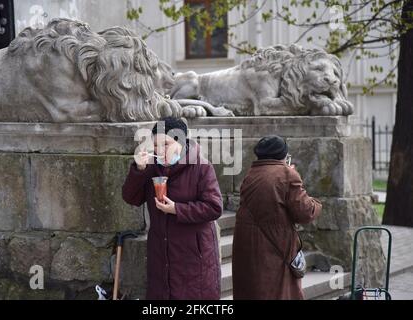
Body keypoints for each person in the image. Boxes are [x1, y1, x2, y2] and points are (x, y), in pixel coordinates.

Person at [122, 117, 223, 299]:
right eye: (155, 146)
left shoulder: (201, 167)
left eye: (166, 144)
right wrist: (138, 169)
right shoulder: (153, 168)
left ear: (181, 143)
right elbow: (131, 198)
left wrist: (177, 209)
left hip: (194, 255)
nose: (159, 151)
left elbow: (214, 207)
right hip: (161, 253)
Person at [232, 135, 322, 299]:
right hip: (275, 248)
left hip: (249, 247)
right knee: (280, 292)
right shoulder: (287, 174)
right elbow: (305, 212)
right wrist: (317, 204)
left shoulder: (251, 173)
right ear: (283, 156)